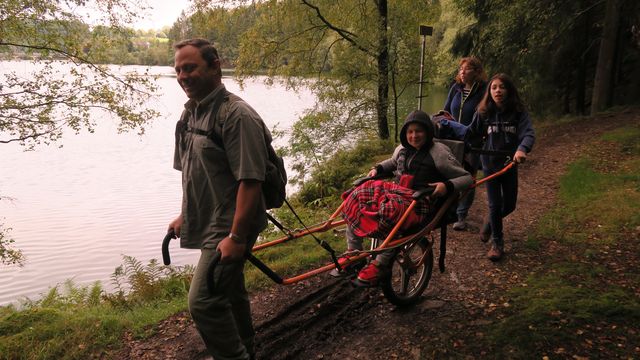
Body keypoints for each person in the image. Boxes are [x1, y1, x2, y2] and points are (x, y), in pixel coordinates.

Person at [168, 38, 269, 360]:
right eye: (178, 69)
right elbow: (192, 174)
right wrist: (185, 214)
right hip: (210, 218)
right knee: (229, 288)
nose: (183, 75)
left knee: (204, 301)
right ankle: (247, 349)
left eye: (190, 67)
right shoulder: (188, 116)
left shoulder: (237, 116)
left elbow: (251, 180)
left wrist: (237, 237)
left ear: (215, 66)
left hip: (232, 223)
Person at [337, 110, 473, 285]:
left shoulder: (438, 152)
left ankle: (380, 265)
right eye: (410, 132)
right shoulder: (401, 148)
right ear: (405, 133)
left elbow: (466, 178)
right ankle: (354, 254)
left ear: (428, 132)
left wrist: (445, 186)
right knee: (355, 199)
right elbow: (392, 163)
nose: (414, 136)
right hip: (395, 193)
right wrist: (377, 169)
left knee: (389, 213)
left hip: (419, 200)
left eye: (419, 131)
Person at [467, 73, 535, 262]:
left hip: (509, 165)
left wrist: (522, 149)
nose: (498, 91)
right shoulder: (483, 112)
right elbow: (470, 133)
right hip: (489, 165)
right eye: (494, 87)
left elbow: (528, 133)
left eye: (502, 87)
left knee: (509, 205)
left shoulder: (518, 112)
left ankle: (490, 222)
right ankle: (497, 243)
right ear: (489, 91)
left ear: (509, 90)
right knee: (495, 204)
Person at [443, 56, 487, 231]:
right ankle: (449, 210)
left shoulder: (483, 91)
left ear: (476, 72)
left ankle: (461, 215)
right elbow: (446, 112)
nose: (462, 72)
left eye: (466, 69)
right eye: (460, 69)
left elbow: (484, 117)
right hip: (452, 140)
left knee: (468, 177)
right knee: (451, 174)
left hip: (473, 142)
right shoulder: (455, 89)